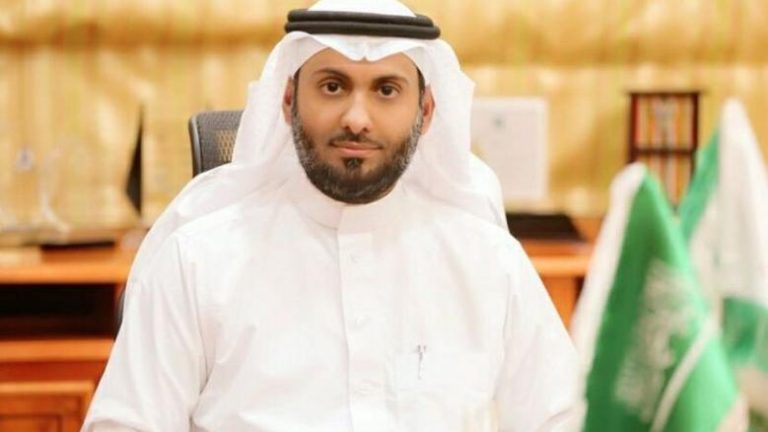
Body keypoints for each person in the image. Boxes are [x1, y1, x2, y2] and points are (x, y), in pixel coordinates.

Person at [83, 1, 577, 430]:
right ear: (287, 101)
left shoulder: (489, 262)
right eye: (333, 86)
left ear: (426, 112)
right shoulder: (198, 260)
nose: (356, 118)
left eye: (386, 90)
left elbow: (562, 418)